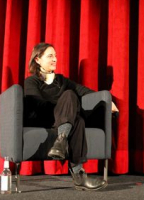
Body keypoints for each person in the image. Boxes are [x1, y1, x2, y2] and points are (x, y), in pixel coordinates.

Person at [24, 42, 119, 191]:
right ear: (37, 59)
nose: (55, 59)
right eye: (50, 56)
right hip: (44, 119)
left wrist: (108, 101)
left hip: (64, 120)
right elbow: (37, 104)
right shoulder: (31, 81)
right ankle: (77, 172)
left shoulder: (62, 80)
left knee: (78, 118)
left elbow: (85, 91)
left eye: (55, 56)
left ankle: (63, 146)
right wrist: (63, 107)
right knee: (70, 98)